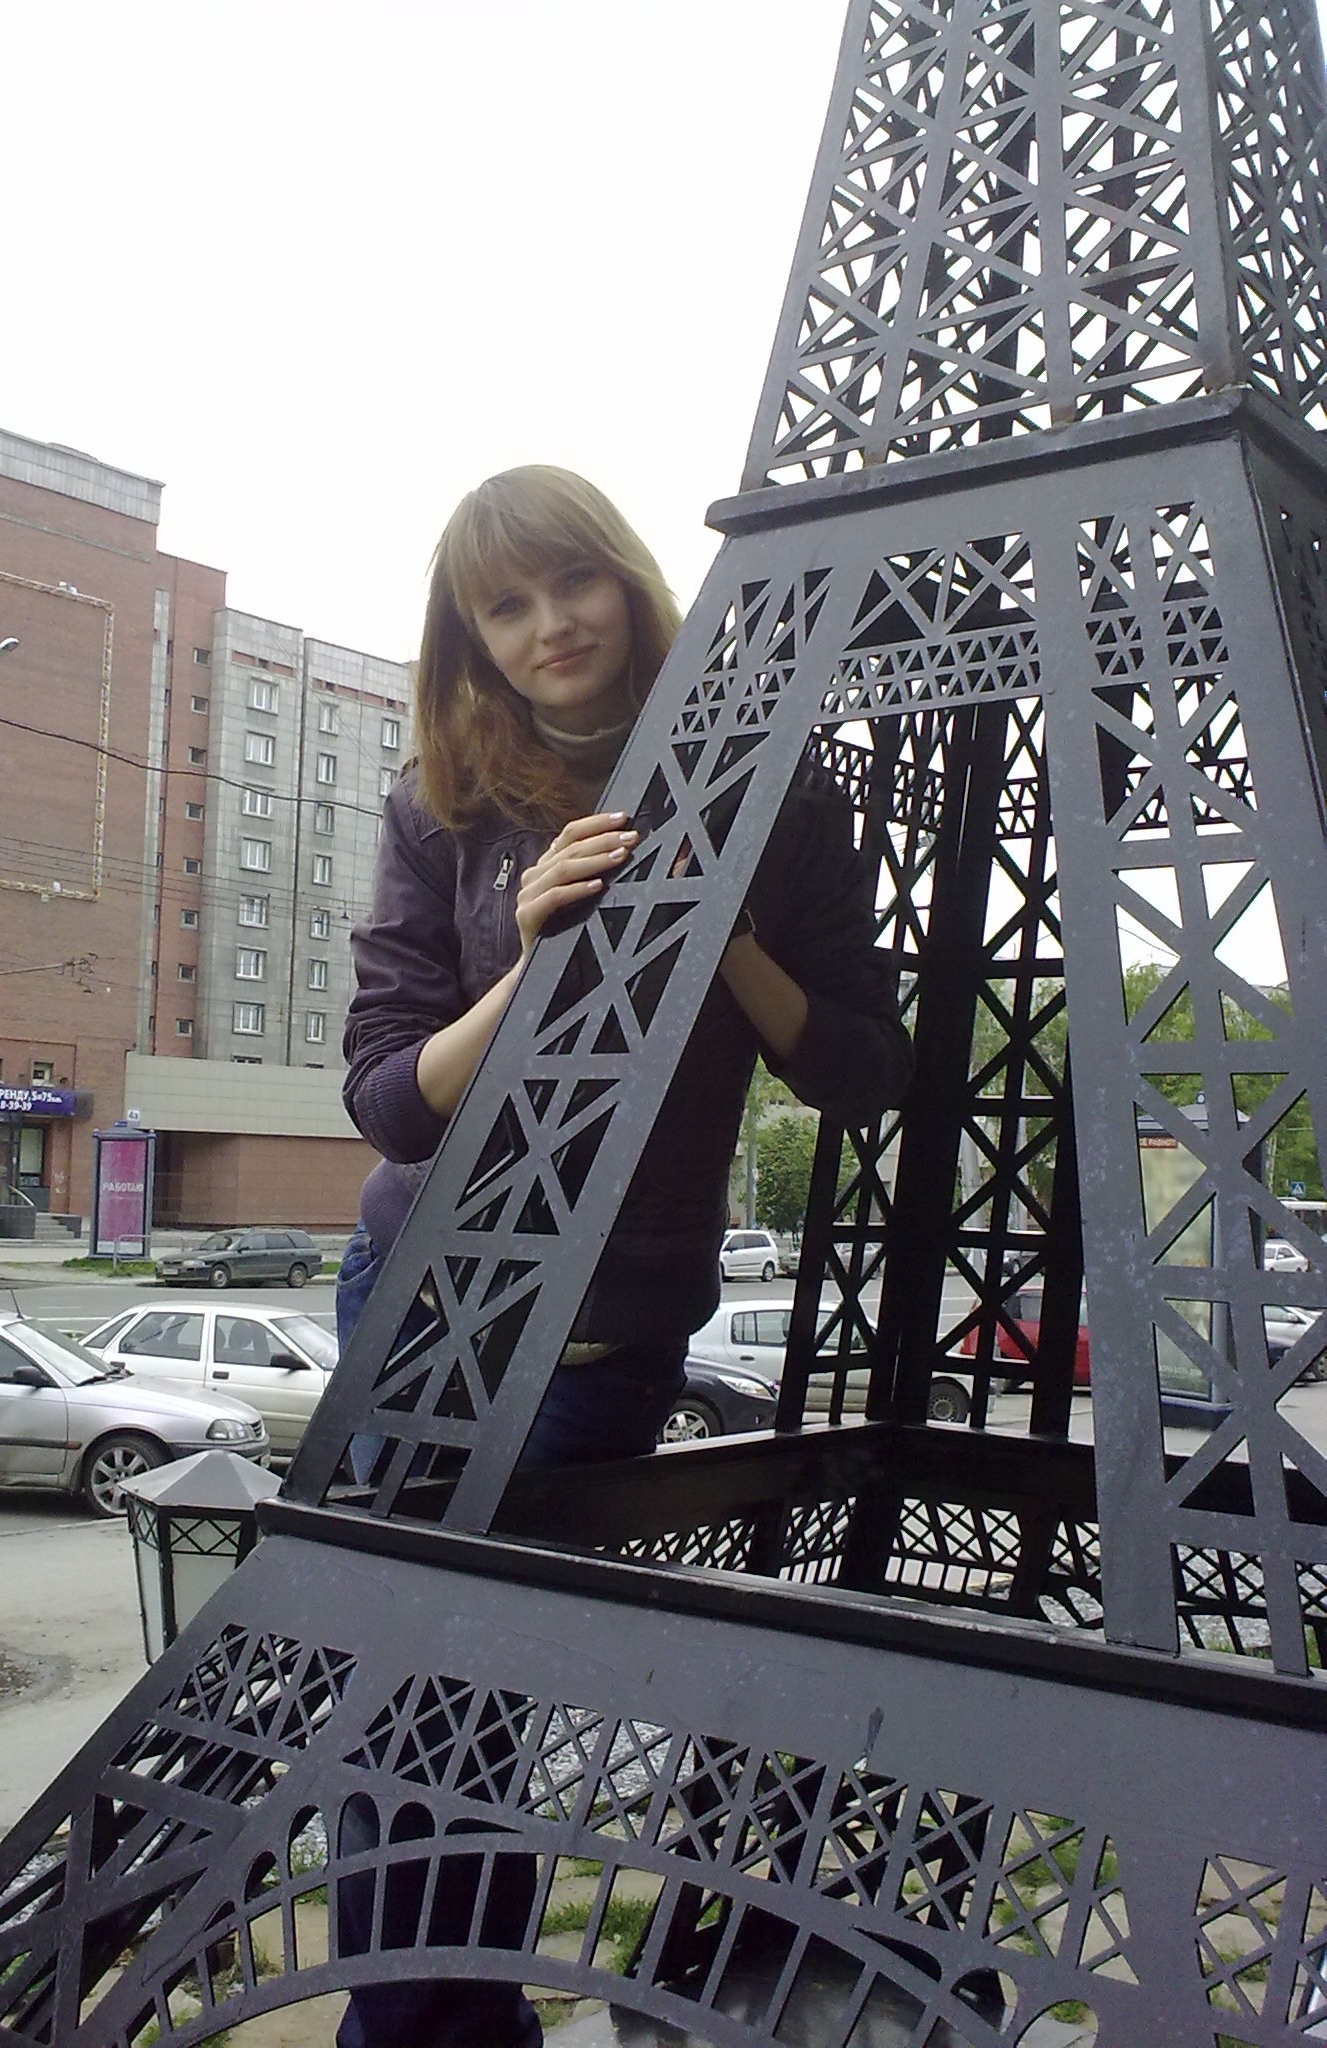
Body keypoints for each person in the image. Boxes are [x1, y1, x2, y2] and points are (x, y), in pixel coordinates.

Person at [332, 465, 912, 2046]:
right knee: (417, 1700)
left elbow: (861, 1069)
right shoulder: (439, 807)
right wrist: (528, 963)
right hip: (418, 1291)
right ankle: (444, 2030)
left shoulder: (779, 790)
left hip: (604, 1319)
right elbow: (387, 1100)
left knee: (460, 1701)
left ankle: (439, 2030)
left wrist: (724, 932)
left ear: (632, 581)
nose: (549, 628)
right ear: (470, 637)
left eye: (570, 583)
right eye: (504, 607)